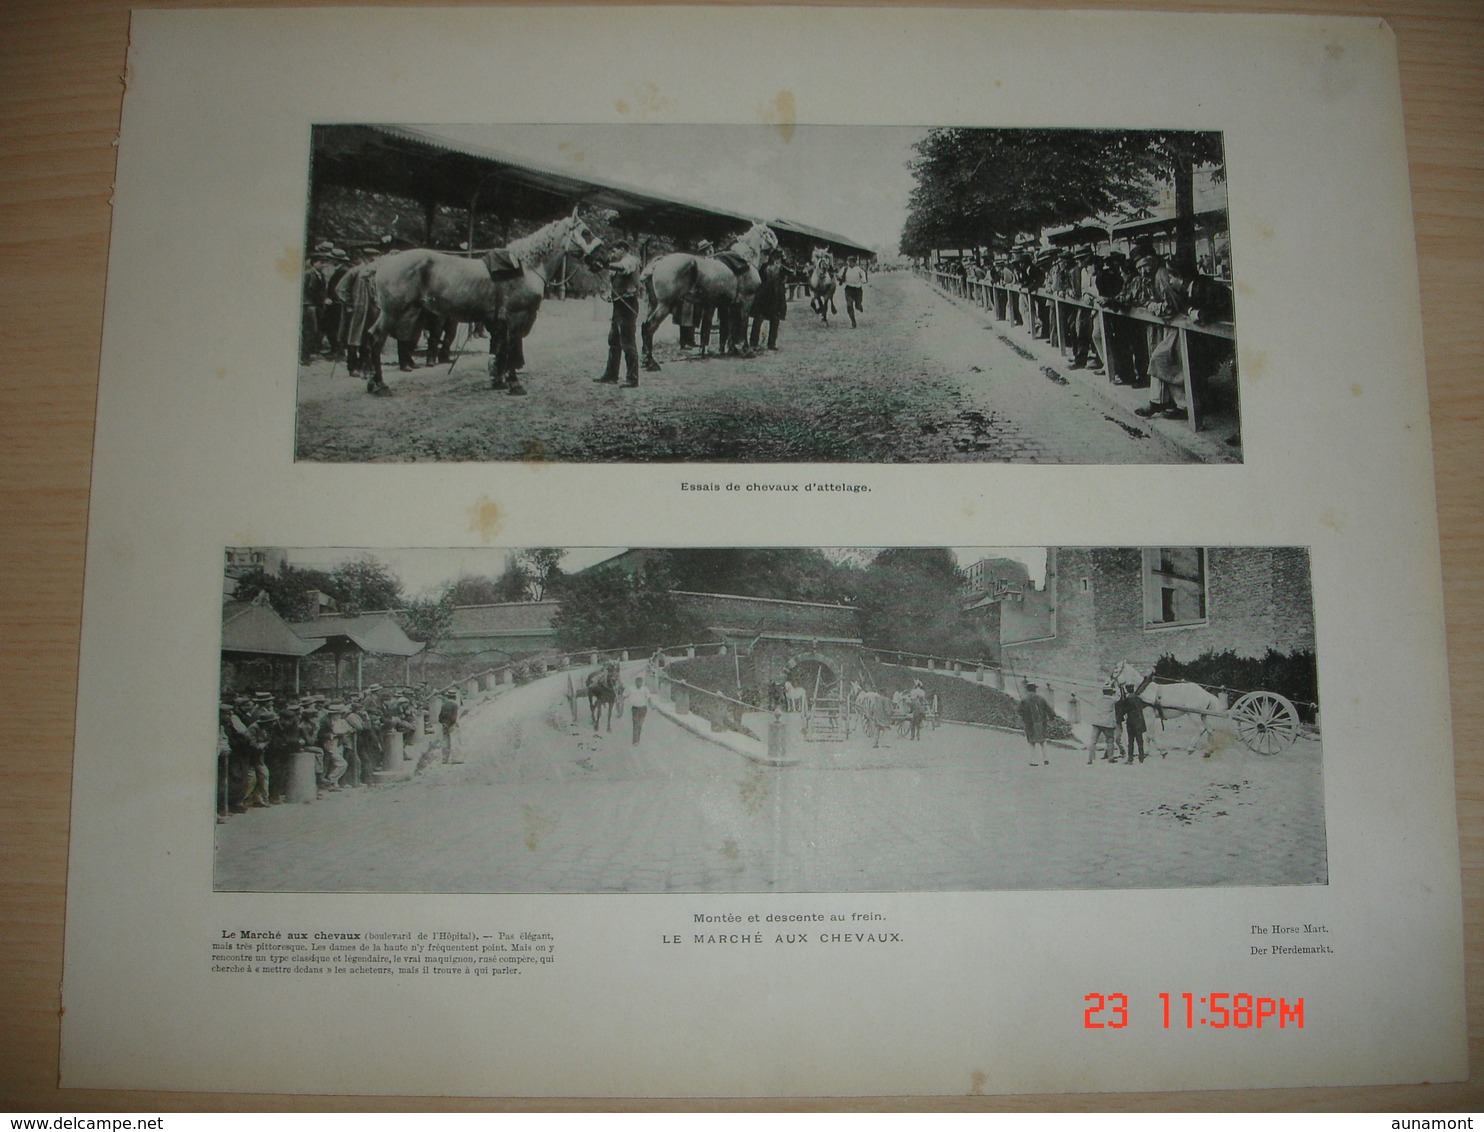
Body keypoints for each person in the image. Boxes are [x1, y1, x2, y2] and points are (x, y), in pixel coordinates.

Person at [596, 240, 642, 387]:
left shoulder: (630, 261)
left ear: (623, 249)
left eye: (615, 251)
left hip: (628, 305)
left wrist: (605, 264)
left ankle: (632, 378)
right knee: (614, 341)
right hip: (618, 305)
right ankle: (611, 375)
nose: (612, 254)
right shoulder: (617, 264)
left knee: (628, 342)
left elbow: (624, 269)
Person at [749, 248, 788, 351]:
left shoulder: (782, 269)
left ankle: (771, 343)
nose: (777, 259)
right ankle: (753, 343)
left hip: (776, 297)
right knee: (758, 320)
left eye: (778, 257)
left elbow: (789, 275)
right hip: (764, 297)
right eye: (775, 256)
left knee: (775, 320)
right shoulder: (764, 267)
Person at [1019, 681, 1054, 766]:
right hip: (1041, 723)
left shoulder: (1024, 699)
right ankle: (1046, 759)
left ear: (1027, 690)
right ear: (1035, 689)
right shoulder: (1041, 698)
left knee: (1031, 743)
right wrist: (1052, 717)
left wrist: (1023, 716)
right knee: (1043, 741)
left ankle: (1033, 761)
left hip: (1029, 723)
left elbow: (1019, 711)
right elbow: (1049, 709)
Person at [1086, 686, 1122, 764]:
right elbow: (1119, 697)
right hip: (1107, 723)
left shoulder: (1098, 698)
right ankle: (1110, 758)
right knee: (1110, 740)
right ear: (1110, 692)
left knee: (1093, 741)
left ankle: (1090, 758)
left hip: (1097, 722)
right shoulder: (1112, 700)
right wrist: (1116, 691)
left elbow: (1094, 696)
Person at [839, 256, 868, 328]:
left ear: (854, 262)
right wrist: (839, 278)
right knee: (849, 305)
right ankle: (853, 322)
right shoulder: (845, 269)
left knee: (857, 305)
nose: (849, 263)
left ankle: (859, 306)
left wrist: (863, 280)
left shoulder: (858, 269)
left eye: (851, 262)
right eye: (848, 261)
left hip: (857, 289)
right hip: (848, 289)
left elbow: (863, 275)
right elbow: (839, 275)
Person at [629, 674, 652, 745]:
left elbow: (649, 698)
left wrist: (651, 705)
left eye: (640, 682)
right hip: (635, 709)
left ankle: (638, 738)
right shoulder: (631, 689)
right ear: (635, 683)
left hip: (643, 709)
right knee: (635, 724)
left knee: (640, 725)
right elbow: (625, 695)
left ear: (642, 683)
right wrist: (620, 700)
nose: (639, 684)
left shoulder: (645, 689)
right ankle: (635, 741)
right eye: (637, 682)